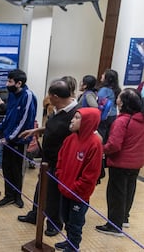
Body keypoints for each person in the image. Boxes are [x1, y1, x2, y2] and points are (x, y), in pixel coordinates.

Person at [17, 79, 79, 237]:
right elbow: (53, 126)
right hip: (47, 159)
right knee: (41, 188)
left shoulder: (76, 114)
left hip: (60, 163)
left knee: (54, 194)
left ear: (56, 96)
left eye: (50, 96)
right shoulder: (58, 109)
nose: (48, 99)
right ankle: (35, 215)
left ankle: (54, 224)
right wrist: (37, 130)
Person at [96, 88, 144, 236]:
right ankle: (123, 218)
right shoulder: (140, 119)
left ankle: (114, 226)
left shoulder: (122, 121)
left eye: (119, 97)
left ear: (122, 103)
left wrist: (101, 149)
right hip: (136, 163)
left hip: (120, 163)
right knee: (129, 191)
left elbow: (114, 145)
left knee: (116, 193)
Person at [54, 108, 103, 251]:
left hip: (78, 194)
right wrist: (60, 176)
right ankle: (69, 241)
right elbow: (61, 160)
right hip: (65, 189)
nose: (72, 120)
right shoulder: (70, 139)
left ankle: (73, 246)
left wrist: (75, 188)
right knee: (66, 219)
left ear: (87, 122)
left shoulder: (94, 144)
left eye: (77, 118)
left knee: (76, 223)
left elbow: (91, 175)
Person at [0, 69, 37, 208]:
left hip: (19, 140)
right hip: (8, 139)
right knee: (7, 168)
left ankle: (17, 196)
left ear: (19, 83)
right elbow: (8, 116)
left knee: (17, 170)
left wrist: (10, 138)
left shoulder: (27, 96)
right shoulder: (11, 94)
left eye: (10, 81)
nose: (7, 83)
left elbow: (24, 120)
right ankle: (8, 195)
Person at [97, 69, 121, 143]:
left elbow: (98, 102)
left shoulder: (104, 90)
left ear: (107, 78)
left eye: (104, 74)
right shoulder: (117, 89)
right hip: (113, 115)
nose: (102, 75)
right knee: (108, 135)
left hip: (104, 116)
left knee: (101, 135)